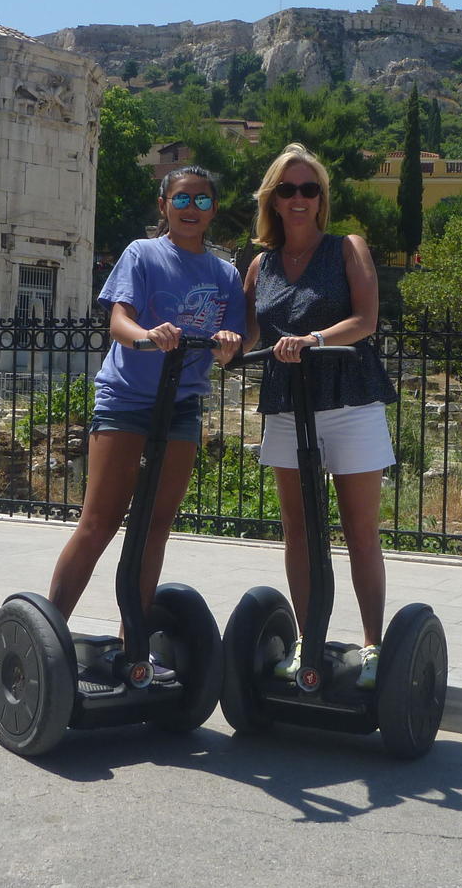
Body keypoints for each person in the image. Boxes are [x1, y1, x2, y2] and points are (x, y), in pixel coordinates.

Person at [45, 166, 243, 680]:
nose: (191, 209)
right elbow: (118, 320)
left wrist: (226, 344)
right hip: (126, 400)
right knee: (99, 522)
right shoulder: (141, 253)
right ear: (164, 206)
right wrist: (146, 335)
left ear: (213, 210)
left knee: (155, 526)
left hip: (181, 406)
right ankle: (46, 637)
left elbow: (233, 343)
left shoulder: (224, 274)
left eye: (202, 201)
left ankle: (133, 648)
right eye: (182, 199)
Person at [242, 143, 397, 689]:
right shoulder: (261, 265)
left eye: (310, 188)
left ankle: (374, 645)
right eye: (288, 189)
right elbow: (244, 335)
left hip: (349, 398)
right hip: (288, 404)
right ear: (274, 201)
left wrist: (312, 338)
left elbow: (366, 319)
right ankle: (307, 640)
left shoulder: (347, 248)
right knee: (299, 532)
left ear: (321, 198)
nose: (300, 198)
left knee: (359, 530)